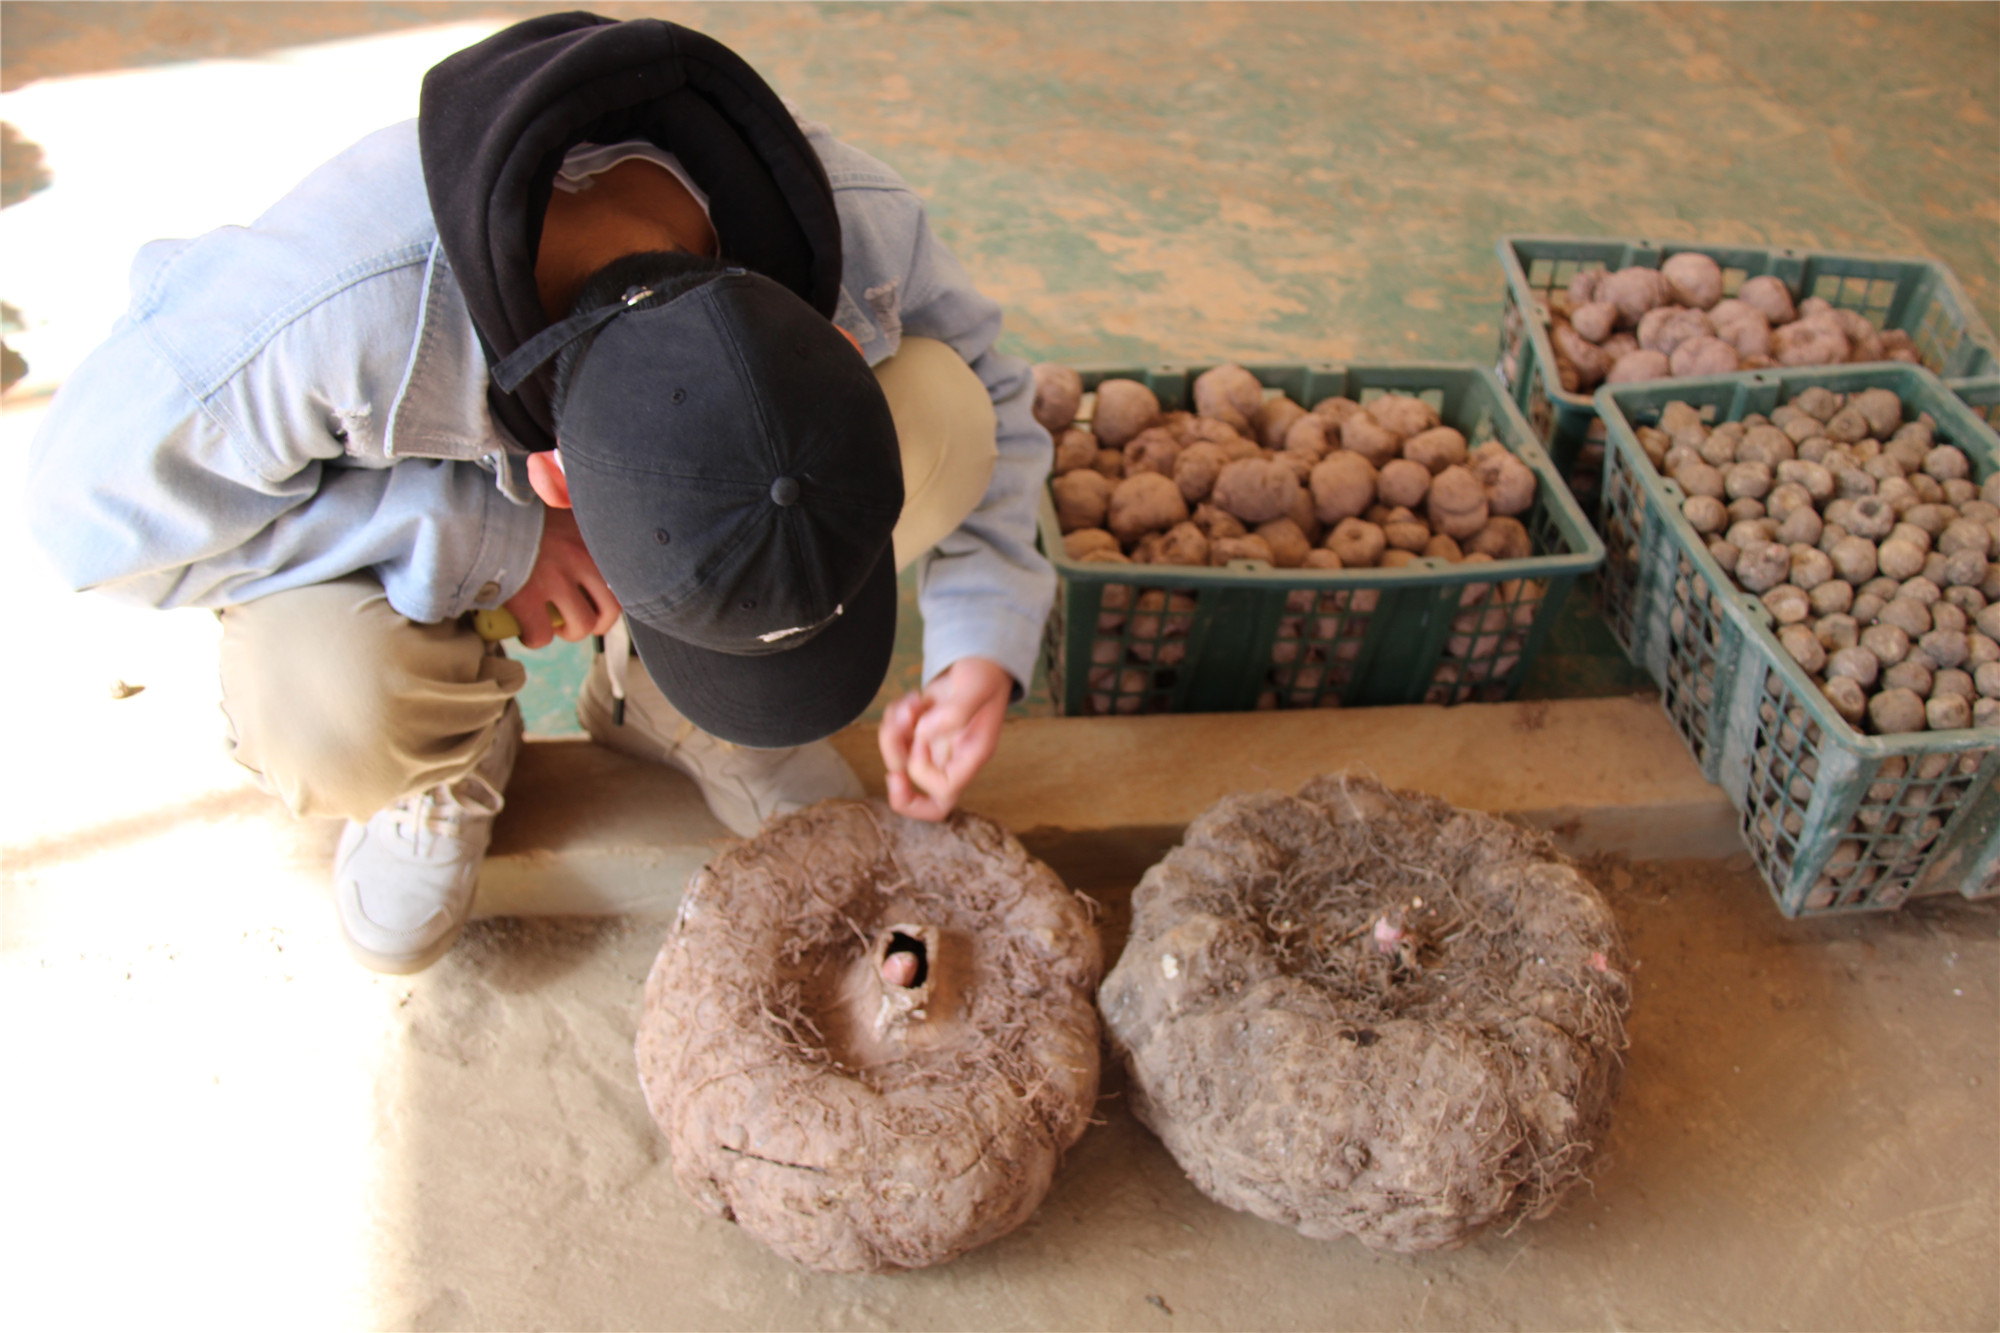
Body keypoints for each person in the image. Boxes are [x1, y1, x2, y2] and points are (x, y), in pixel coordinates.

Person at [25, 13, 1055, 974]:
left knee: (941, 410)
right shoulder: (332, 316)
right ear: (552, 473)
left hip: (589, 478)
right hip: (403, 535)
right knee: (328, 708)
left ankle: (665, 697)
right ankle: (445, 760)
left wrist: (983, 641)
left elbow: (998, 405)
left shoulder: (845, 226)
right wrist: (485, 538)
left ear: (827, 340)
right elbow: (84, 522)